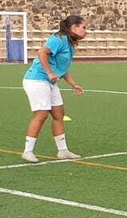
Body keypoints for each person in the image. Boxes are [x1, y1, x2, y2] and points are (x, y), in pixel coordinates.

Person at [20, 14, 88, 163]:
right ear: (73, 27)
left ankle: (63, 151)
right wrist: (49, 73)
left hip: (49, 82)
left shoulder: (68, 44)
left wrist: (74, 84)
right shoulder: (59, 39)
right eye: (83, 27)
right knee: (42, 115)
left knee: (59, 114)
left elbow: (62, 69)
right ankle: (28, 151)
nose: (86, 31)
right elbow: (41, 52)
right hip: (37, 80)